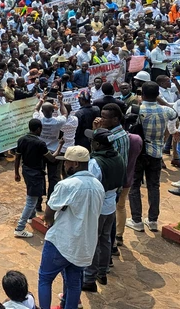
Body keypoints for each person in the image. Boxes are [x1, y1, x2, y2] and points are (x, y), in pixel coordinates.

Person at [37, 145, 104, 309]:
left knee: (45, 278)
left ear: (74, 163)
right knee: (74, 283)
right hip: (84, 245)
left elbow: (48, 213)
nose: (64, 165)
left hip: (62, 242)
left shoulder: (67, 185)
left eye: (66, 162)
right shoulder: (98, 185)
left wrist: (49, 221)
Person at [126, 81, 177, 233]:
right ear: (157, 95)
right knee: (154, 186)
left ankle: (137, 220)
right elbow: (174, 114)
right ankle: (153, 220)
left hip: (139, 152)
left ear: (142, 95)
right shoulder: (166, 111)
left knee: (134, 185)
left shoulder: (136, 109)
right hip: (157, 153)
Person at [82, 128, 125, 293]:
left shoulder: (95, 163)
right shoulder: (118, 157)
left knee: (93, 241)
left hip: (98, 207)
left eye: (93, 140)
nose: (91, 143)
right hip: (111, 205)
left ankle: (89, 278)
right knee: (105, 239)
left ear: (98, 144)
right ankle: (103, 271)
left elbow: (90, 186)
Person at [14, 118, 61, 238]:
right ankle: (19, 228)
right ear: (39, 129)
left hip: (26, 170)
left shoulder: (22, 140)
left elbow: (17, 157)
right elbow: (52, 158)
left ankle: (31, 217)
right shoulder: (40, 143)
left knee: (31, 194)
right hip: (35, 173)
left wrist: (16, 173)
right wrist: (60, 145)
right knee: (31, 200)